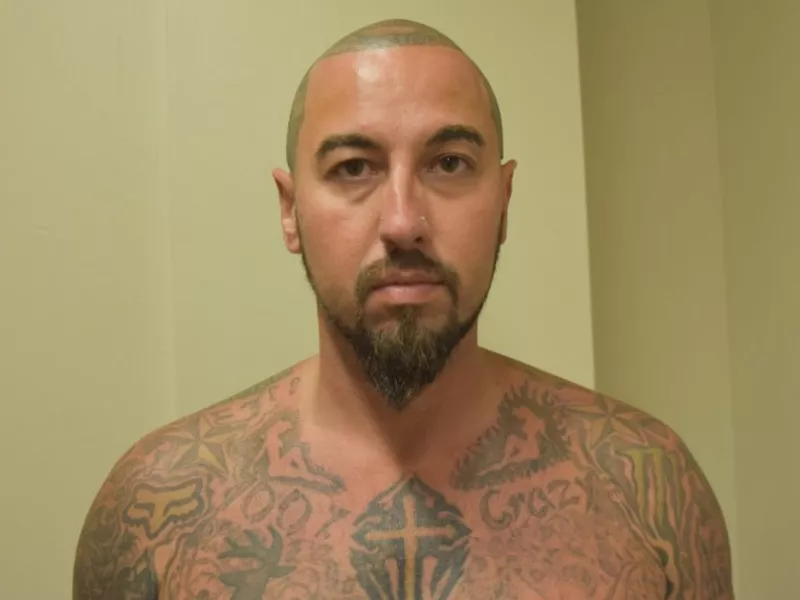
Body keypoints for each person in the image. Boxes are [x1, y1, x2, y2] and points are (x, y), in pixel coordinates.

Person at [73, 18, 734, 600]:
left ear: (504, 202)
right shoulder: (159, 507)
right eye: (353, 168)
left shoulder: (645, 489)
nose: (403, 222)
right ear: (290, 210)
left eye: (448, 163)